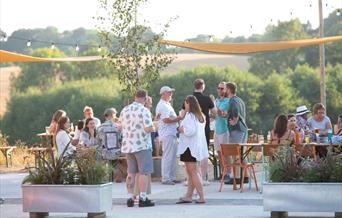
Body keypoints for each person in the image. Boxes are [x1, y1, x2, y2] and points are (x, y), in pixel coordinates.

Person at [120, 89, 155, 207]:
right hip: (142, 145)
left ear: (135, 97)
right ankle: (143, 198)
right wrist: (155, 127)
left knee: (131, 173)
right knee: (143, 173)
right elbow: (147, 128)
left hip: (128, 145)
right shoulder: (144, 110)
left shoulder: (125, 110)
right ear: (145, 99)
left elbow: (120, 127)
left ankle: (130, 198)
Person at [182, 79, 215, 185]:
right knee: (204, 152)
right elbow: (215, 112)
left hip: (191, 128)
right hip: (203, 128)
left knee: (190, 153)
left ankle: (190, 178)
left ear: (194, 86)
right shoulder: (207, 99)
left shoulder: (188, 99)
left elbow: (182, 115)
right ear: (203, 86)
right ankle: (203, 177)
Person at [176, 95, 207, 204]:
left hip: (188, 147)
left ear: (189, 103)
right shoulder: (200, 115)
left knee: (192, 172)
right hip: (195, 147)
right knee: (192, 172)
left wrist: (180, 129)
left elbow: (190, 131)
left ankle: (201, 196)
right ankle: (189, 195)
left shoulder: (190, 116)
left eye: (185, 103)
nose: (184, 105)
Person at [156, 86, 182, 185]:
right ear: (163, 94)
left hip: (171, 133)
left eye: (171, 92)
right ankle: (166, 178)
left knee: (172, 156)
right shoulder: (163, 105)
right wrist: (178, 118)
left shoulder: (166, 104)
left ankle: (170, 177)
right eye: (169, 92)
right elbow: (165, 120)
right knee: (168, 156)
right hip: (167, 133)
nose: (171, 94)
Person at [225, 82, 248, 184]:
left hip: (236, 129)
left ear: (229, 90)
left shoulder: (232, 101)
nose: (224, 91)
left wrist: (234, 120)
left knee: (236, 153)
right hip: (243, 129)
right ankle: (245, 176)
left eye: (225, 88)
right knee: (242, 153)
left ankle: (237, 178)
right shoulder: (240, 100)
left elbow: (235, 111)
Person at [210, 82, 231, 182]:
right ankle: (223, 173)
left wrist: (213, 104)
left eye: (222, 88)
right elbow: (215, 115)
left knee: (226, 153)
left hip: (224, 130)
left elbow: (221, 113)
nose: (220, 90)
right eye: (218, 88)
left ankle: (229, 173)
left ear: (226, 90)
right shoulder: (217, 100)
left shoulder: (227, 101)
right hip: (216, 130)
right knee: (219, 153)